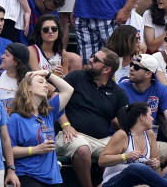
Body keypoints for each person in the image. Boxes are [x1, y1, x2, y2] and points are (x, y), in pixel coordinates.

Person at [54, 47, 127, 187]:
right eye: (93, 56)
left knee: (126, 150)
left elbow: (125, 121)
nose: (90, 59)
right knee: (82, 149)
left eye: (96, 59)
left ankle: (104, 184)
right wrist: (66, 125)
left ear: (106, 69)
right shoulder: (76, 77)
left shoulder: (117, 92)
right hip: (71, 135)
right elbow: (56, 101)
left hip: (101, 140)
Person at [7, 70, 75, 186]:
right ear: (28, 88)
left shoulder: (48, 113)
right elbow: (9, 150)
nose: (46, 85)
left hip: (52, 177)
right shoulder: (16, 118)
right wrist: (35, 149)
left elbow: (68, 90)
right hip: (28, 175)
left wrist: (47, 73)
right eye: (40, 82)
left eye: (46, 82)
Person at [119, 54, 167, 162]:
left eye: (136, 67)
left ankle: (163, 177)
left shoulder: (161, 90)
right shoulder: (122, 88)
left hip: (150, 141)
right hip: (125, 140)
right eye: (131, 65)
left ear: (148, 74)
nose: (131, 68)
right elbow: (116, 121)